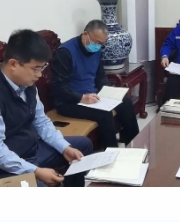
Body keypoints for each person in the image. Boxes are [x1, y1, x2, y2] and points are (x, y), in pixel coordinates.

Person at [0, 29, 93, 187]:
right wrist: (35, 171)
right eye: (36, 68)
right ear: (13, 64)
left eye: (42, 68)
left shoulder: (27, 84)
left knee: (81, 146)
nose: (40, 75)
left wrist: (64, 148)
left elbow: (41, 122)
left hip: (30, 150)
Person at [50, 20, 139, 149]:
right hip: (70, 102)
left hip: (93, 96)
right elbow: (59, 87)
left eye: (102, 44)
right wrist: (82, 98)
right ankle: (112, 153)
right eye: (97, 42)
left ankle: (134, 147)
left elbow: (100, 76)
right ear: (86, 34)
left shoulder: (96, 50)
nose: (98, 46)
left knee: (125, 102)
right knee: (104, 114)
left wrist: (108, 92)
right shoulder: (65, 52)